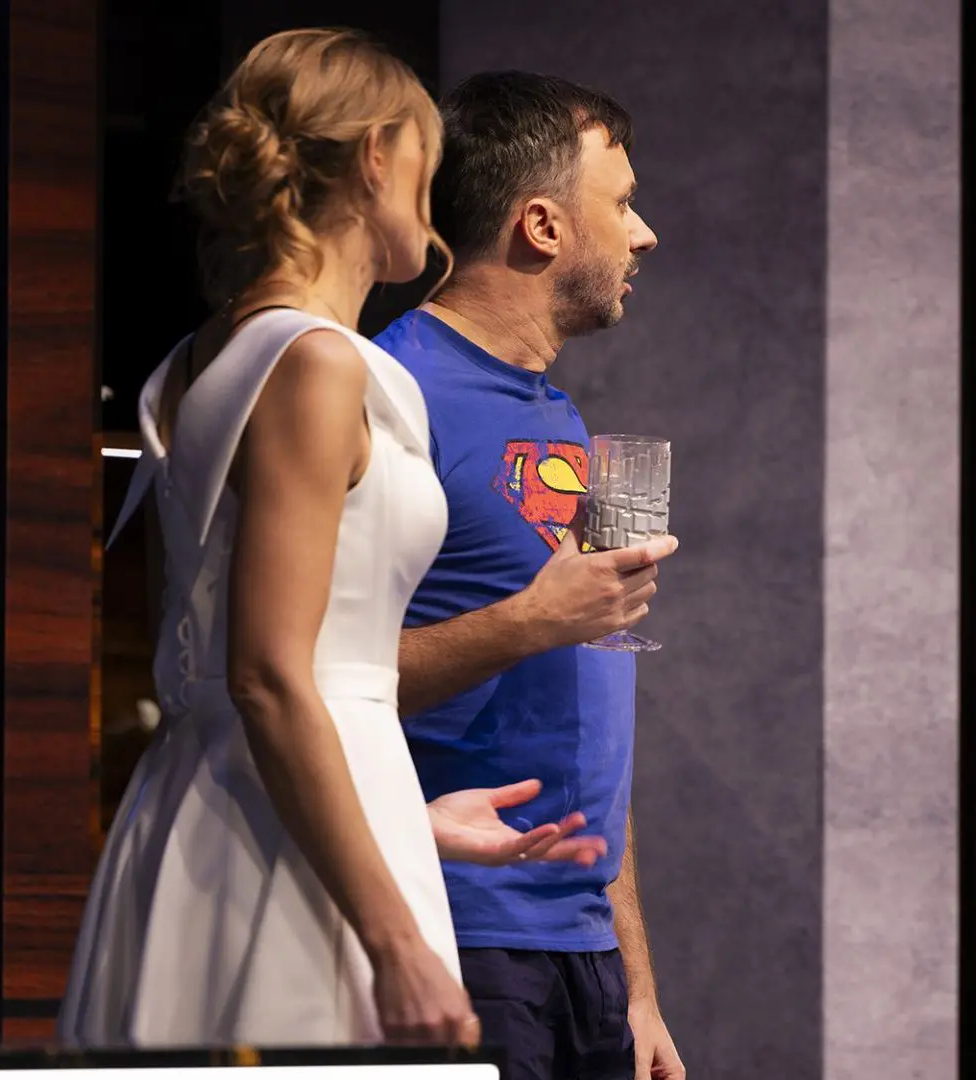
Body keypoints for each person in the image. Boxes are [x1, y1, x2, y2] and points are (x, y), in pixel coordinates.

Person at [59, 30, 598, 1049]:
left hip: (224, 814)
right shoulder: (315, 363)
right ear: (377, 158)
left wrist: (409, 819)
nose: (433, 197)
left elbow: (206, 659)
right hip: (277, 854)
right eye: (424, 158)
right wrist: (396, 941)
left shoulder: (197, 360)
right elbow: (267, 675)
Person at [373, 72, 683, 1080]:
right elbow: (313, 678)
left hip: (580, 951)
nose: (643, 235)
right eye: (621, 204)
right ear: (543, 225)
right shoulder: (391, 392)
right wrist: (527, 621)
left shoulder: (555, 413)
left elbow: (587, 705)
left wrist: (635, 983)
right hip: (456, 932)